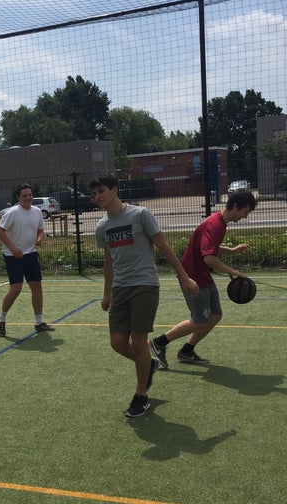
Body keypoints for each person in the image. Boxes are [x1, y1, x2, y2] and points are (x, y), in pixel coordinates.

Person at [89, 173, 199, 418]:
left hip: (145, 285)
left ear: (115, 190)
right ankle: (149, 364)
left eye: (101, 191)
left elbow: (164, 247)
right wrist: (106, 293)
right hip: (120, 289)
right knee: (117, 343)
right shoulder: (102, 226)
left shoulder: (140, 215)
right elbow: (109, 261)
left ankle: (141, 396)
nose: (97, 197)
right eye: (94, 194)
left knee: (139, 340)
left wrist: (184, 277)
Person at [149, 191, 257, 368]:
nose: (245, 216)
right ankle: (158, 343)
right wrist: (233, 271)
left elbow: (209, 248)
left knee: (215, 315)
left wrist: (231, 251)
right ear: (236, 206)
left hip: (202, 275)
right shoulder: (216, 224)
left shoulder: (219, 222)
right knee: (199, 320)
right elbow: (209, 259)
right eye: (245, 212)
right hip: (192, 277)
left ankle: (186, 351)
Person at [0, 183, 55, 337]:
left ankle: (39, 322)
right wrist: (13, 249)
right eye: (24, 196)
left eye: (30, 195)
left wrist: (40, 237)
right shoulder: (12, 213)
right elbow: (0, 231)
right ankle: (1, 318)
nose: (28, 198)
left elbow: (40, 231)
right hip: (13, 256)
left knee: (37, 287)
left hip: (31, 255)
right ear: (18, 198)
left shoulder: (37, 212)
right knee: (16, 289)